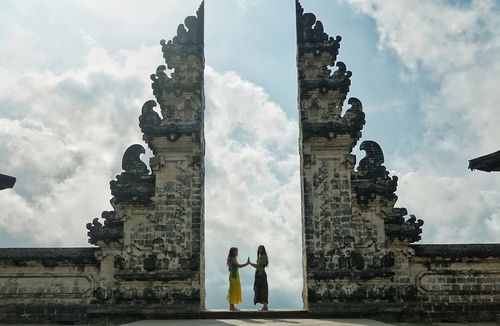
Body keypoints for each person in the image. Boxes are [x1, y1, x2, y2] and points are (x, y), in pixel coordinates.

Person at [249, 245, 269, 311]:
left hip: (261, 275)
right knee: (260, 289)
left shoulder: (263, 257)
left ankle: (265, 306)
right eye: (259, 249)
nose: (260, 250)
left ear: (263, 250)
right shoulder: (261, 257)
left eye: (261, 249)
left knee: (262, 289)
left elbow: (257, 266)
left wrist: (250, 263)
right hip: (259, 274)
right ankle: (265, 306)